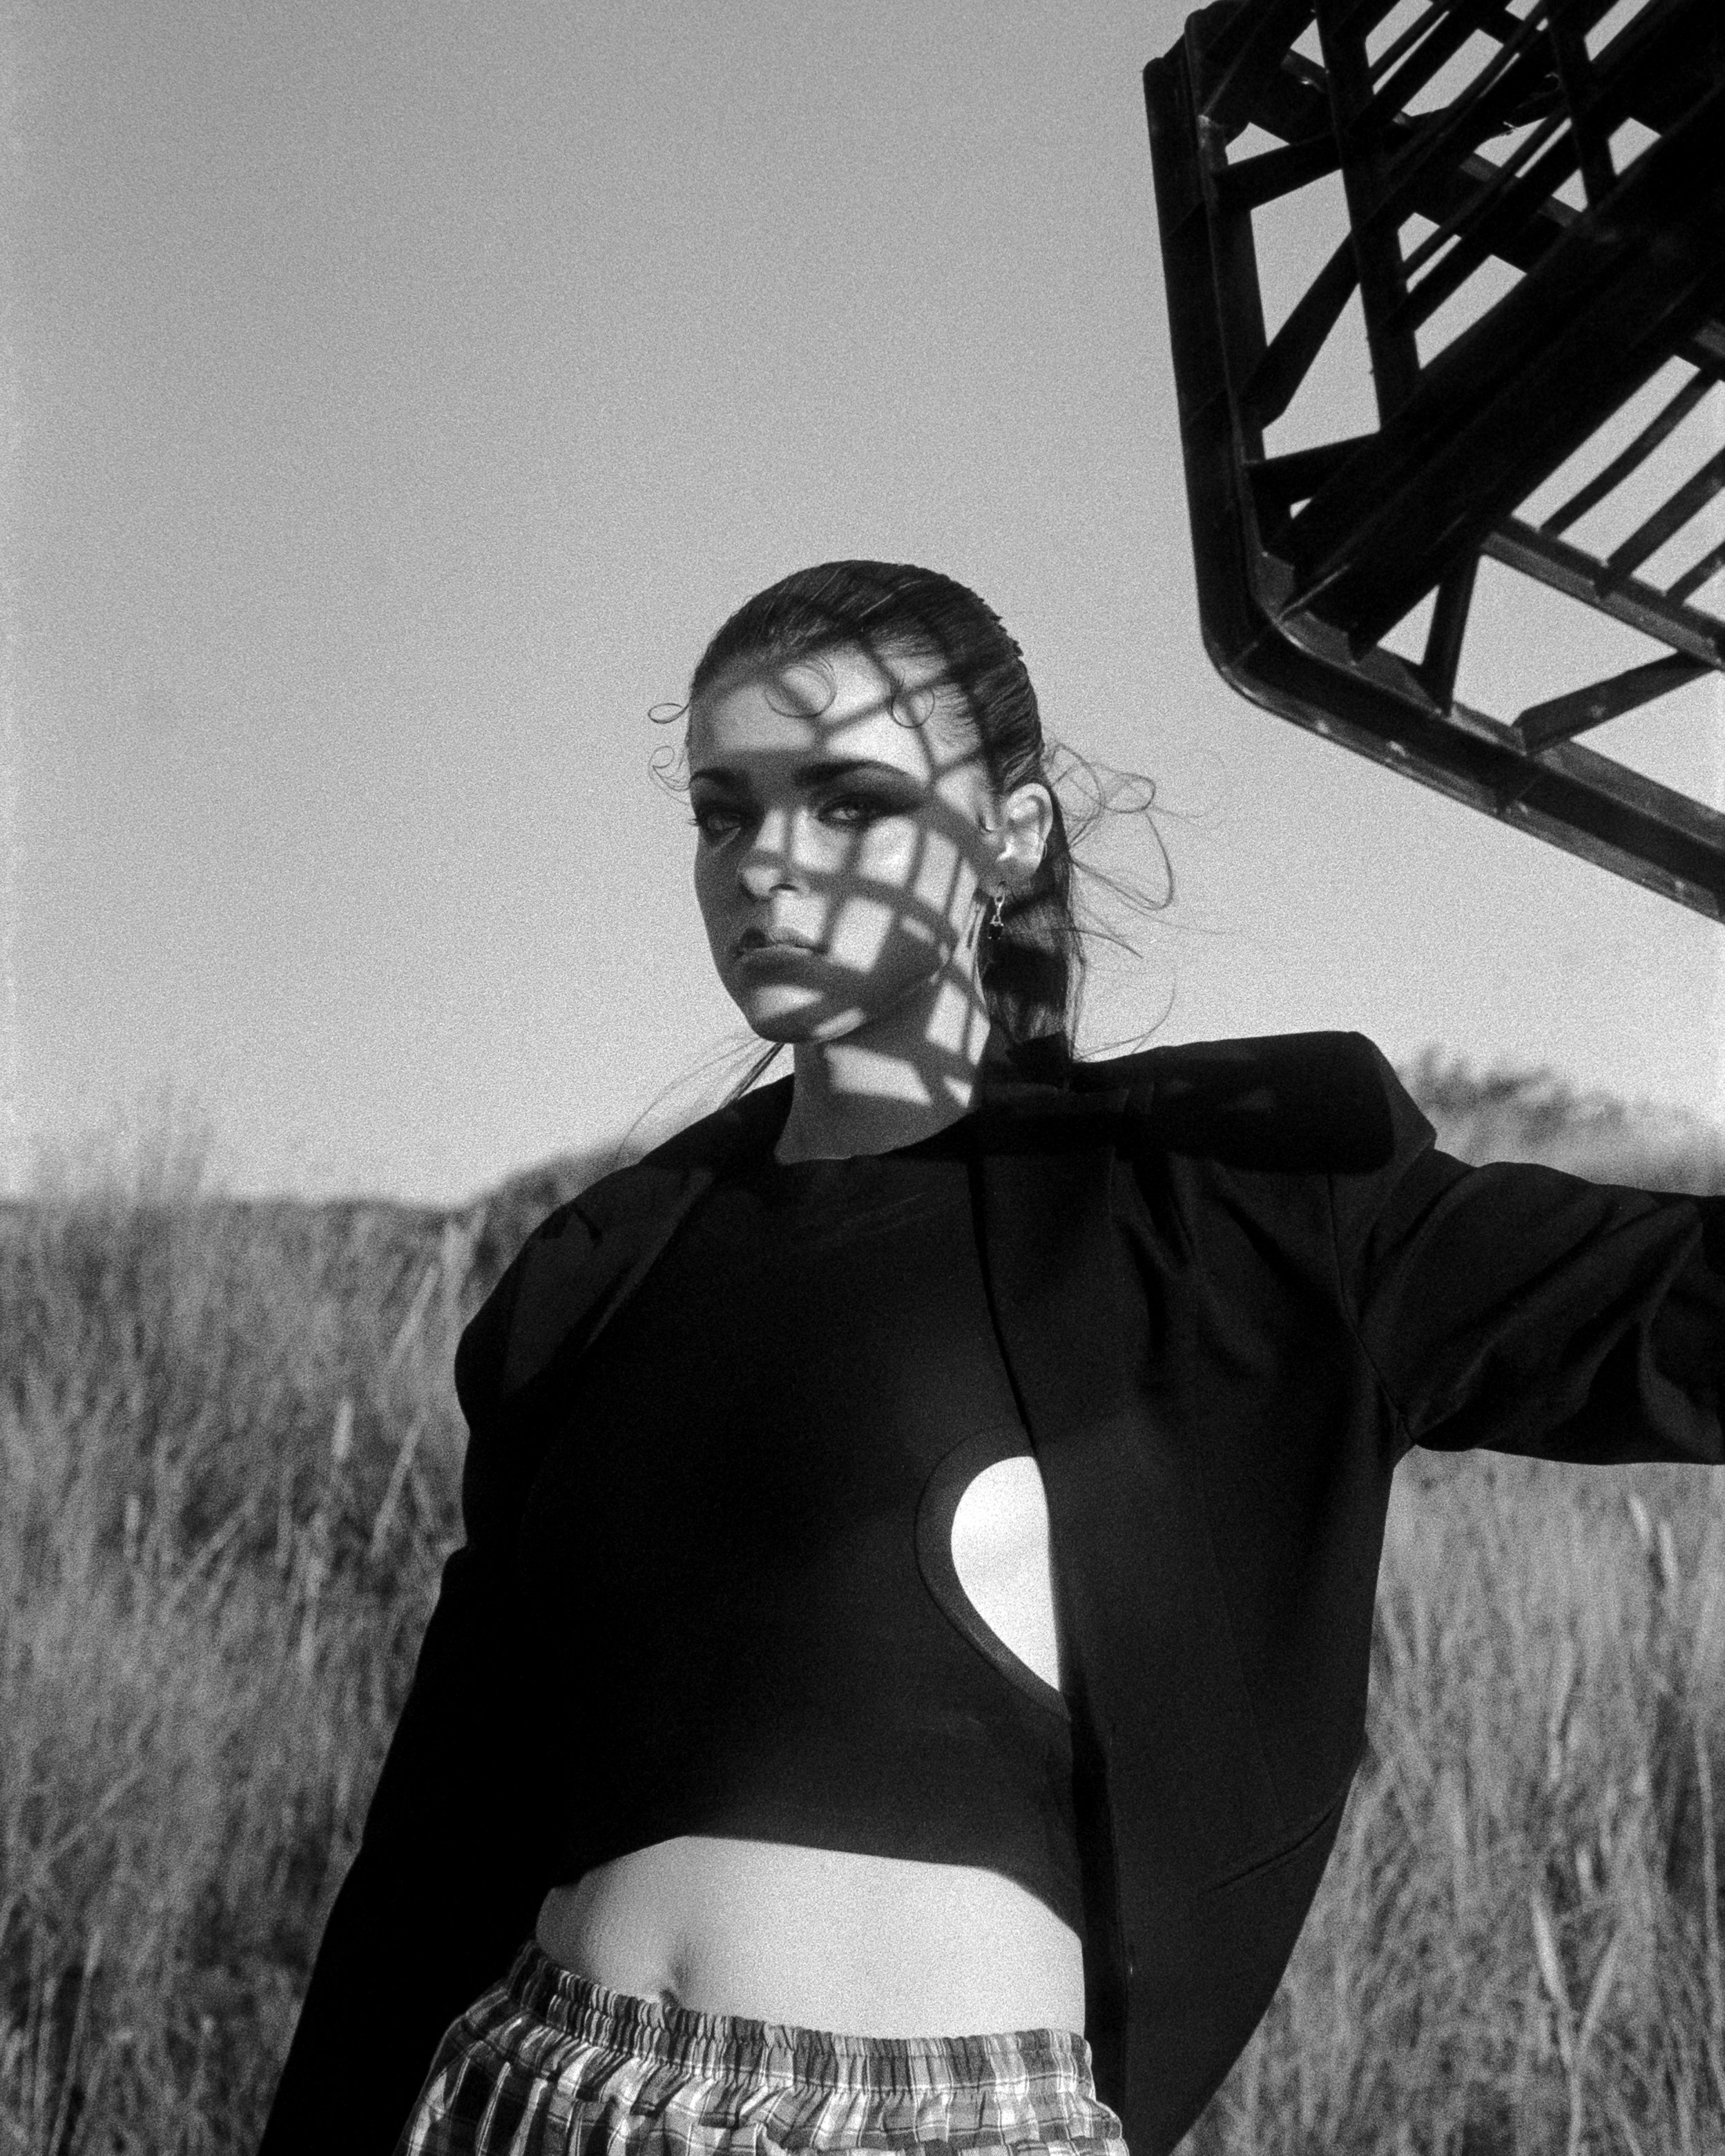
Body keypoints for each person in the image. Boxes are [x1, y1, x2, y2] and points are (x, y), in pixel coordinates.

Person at [258, 560, 1725, 2156]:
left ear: (1006, 834)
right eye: (724, 812)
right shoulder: (600, 1273)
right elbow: (438, 1846)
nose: (770, 866)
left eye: (849, 801)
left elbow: (1682, 1324)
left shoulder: (1232, 1217)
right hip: (542, 2093)